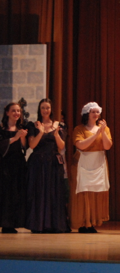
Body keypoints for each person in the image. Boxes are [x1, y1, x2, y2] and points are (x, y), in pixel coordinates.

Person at [26, 98, 69, 233]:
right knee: (39, 192)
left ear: (51, 110)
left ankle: (54, 224)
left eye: (48, 108)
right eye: (43, 108)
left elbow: (61, 146)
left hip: (53, 163)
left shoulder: (59, 125)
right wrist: (41, 132)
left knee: (53, 192)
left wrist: (56, 134)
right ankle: (39, 224)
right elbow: (32, 145)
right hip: (38, 163)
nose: (45, 110)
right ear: (40, 109)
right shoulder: (34, 125)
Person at [70, 102, 113, 233]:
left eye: (97, 112)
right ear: (87, 114)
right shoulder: (79, 129)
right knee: (84, 194)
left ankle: (92, 222)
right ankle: (83, 222)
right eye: (93, 112)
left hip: (98, 163)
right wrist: (95, 135)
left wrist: (102, 132)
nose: (95, 114)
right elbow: (80, 145)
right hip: (83, 164)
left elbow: (107, 146)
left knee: (95, 192)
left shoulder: (104, 129)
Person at [0, 102, 28, 233]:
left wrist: (22, 138)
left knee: (17, 193)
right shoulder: (2, 130)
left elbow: (24, 147)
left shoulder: (21, 128)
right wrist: (15, 138)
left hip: (18, 164)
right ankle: (5, 223)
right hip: (5, 165)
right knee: (6, 194)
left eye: (18, 111)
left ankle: (13, 222)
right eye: (14, 111)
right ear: (7, 113)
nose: (16, 113)